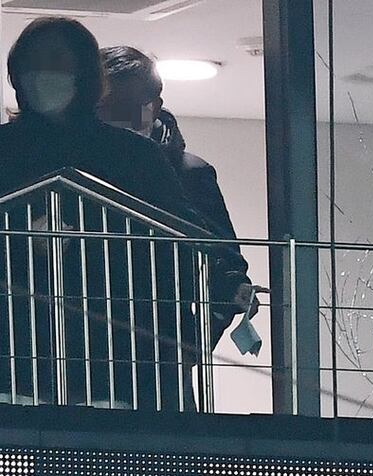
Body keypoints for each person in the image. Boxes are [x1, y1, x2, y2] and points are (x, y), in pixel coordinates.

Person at [0, 17, 247, 409]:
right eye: (34, 62)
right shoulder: (4, 150)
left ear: (84, 72)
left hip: (121, 364)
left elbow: (187, 243)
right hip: (16, 357)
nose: (44, 72)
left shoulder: (134, 155)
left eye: (57, 60)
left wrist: (192, 333)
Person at [98, 45, 267, 348]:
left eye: (125, 107)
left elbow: (223, 259)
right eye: (106, 107)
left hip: (161, 334)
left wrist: (194, 344)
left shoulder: (188, 172)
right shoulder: (84, 163)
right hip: (87, 327)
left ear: (154, 107)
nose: (115, 119)